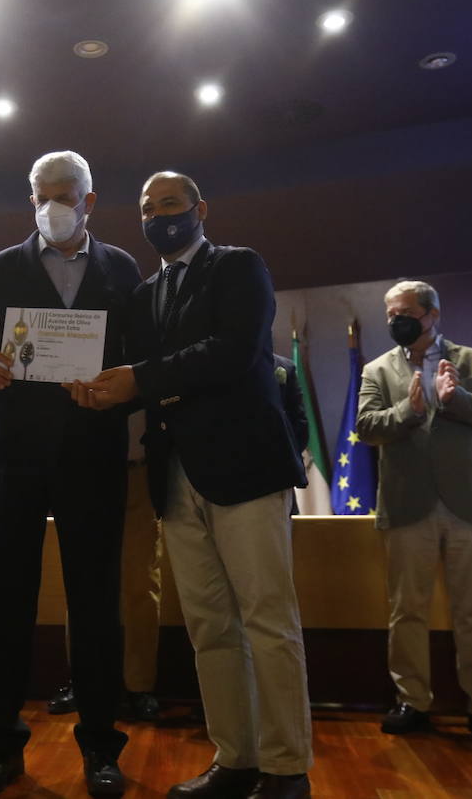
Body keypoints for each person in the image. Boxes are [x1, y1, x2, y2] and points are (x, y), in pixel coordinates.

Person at [70, 172, 313, 799]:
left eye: (170, 205)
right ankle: (236, 758)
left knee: (268, 620)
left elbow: (231, 352)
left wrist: (136, 380)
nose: (158, 217)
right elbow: (139, 381)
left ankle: (287, 768)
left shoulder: (238, 267)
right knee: (210, 626)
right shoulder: (145, 293)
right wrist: (94, 393)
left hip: (247, 468)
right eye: (148, 209)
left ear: (200, 209)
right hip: (175, 476)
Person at [0, 150, 141, 796]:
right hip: (12, 459)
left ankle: (100, 748)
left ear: (89, 200)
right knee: (4, 603)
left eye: (63, 195)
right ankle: (0, 745)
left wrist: (121, 389)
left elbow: (139, 361)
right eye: (39, 196)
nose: (50, 206)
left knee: (95, 604)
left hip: (93, 455)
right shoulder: (2, 266)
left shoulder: (122, 268)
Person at [355, 280, 472, 744]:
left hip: (469, 505)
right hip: (407, 505)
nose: (398, 319)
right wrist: (409, 410)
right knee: (406, 611)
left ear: (432, 313)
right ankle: (412, 702)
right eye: (391, 313)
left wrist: (458, 399)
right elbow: (368, 428)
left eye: (407, 311)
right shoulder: (377, 369)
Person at [48, 409, 164, 723]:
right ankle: (82, 681)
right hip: (86, 472)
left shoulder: (144, 356)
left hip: (139, 472)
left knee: (141, 582)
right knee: (82, 581)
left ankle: (140, 686)